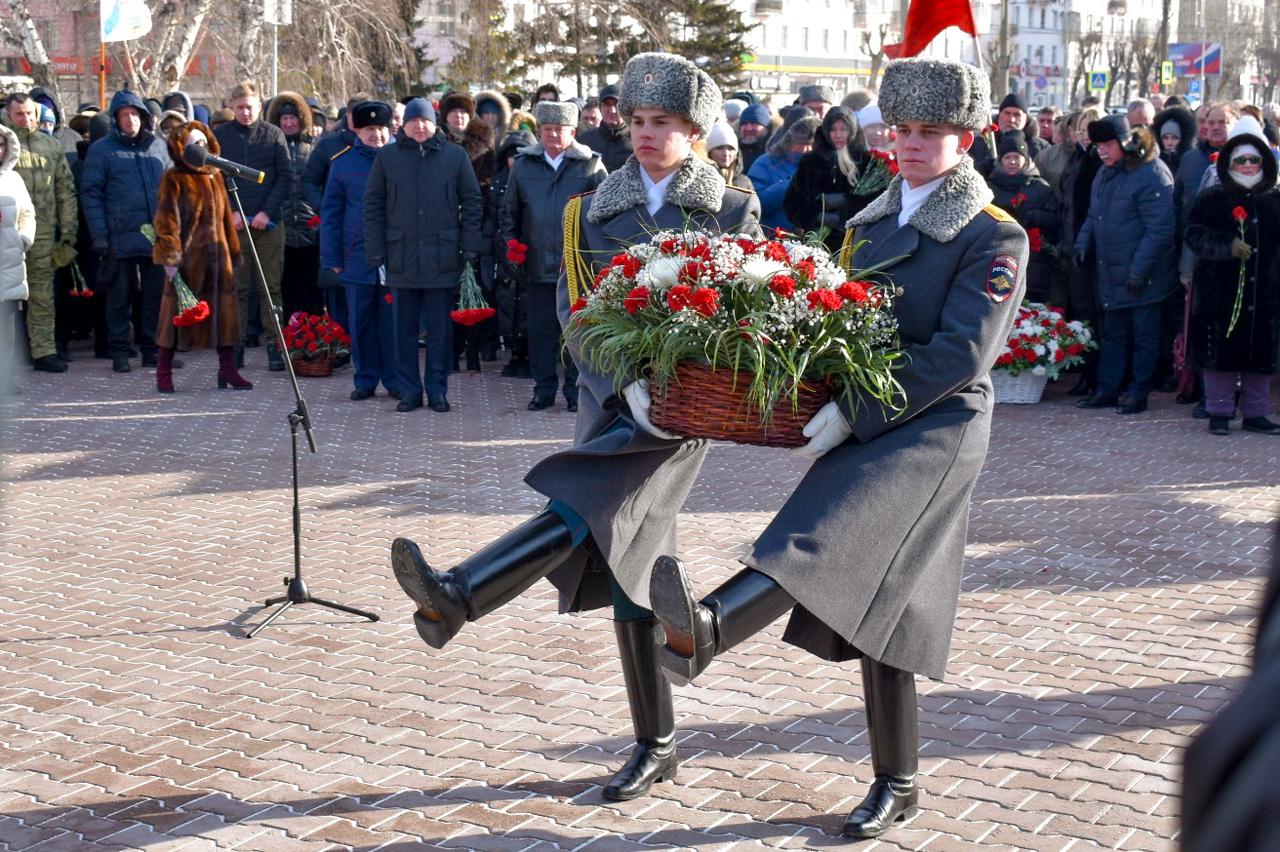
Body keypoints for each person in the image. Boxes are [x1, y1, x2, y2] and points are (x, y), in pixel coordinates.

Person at [642, 57, 1027, 840]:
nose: (914, 146)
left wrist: (854, 410)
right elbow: (838, 324)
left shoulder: (994, 235)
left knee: (829, 529)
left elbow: (961, 355)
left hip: (938, 426)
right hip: (870, 412)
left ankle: (712, 625)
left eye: (933, 133)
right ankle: (900, 783)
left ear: (966, 137)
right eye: (905, 131)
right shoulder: (869, 222)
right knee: (885, 607)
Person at [388, 51, 760, 804]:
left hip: (685, 411)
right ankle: (654, 744)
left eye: (665, 123)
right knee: (628, 565)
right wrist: (620, 381)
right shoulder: (592, 207)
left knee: (599, 514)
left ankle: (464, 592)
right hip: (611, 404)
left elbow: (743, 313)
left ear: (694, 130)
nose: (647, 135)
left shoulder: (726, 207)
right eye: (638, 121)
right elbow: (575, 308)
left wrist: (670, 386)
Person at [363, 98, 483, 413]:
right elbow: (373, 206)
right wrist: (376, 251)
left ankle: (437, 390)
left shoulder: (455, 157)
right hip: (400, 256)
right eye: (413, 121)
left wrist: (469, 246)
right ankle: (409, 391)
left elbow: (472, 202)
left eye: (425, 121)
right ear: (403, 125)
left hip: (442, 255)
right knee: (402, 330)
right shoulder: (388, 157)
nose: (419, 126)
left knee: (440, 333)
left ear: (435, 124)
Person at [500, 100, 606, 412]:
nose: (552, 136)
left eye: (558, 130)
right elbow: (509, 213)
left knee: (576, 331)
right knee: (541, 331)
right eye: (546, 130)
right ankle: (543, 389)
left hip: (575, 266)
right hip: (535, 264)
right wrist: (512, 248)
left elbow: (602, 213)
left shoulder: (590, 165)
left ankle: (576, 391)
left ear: (572, 131)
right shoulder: (523, 165)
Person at [1075, 116, 1176, 415]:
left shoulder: (1152, 173)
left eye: (1108, 144)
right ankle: (1108, 389)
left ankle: (1138, 392)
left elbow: (1159, 230)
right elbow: (1095, 216)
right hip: (1111, 270)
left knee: (1144, 336)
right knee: (1113, 334)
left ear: (1125, 142)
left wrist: (1138, 271)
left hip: (1143, 276)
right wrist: (1083, 244)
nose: (1102, 151)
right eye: (1098, 146)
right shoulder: (1105, 173)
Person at [1184, 122, 1280, 435]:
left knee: (1260, 356)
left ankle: (1255, 413)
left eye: (1254, 160)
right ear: (1229, 162)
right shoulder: (1213, 197)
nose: (1249, 166)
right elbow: (1194, 235)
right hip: (1220, 292)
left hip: (1266, 293)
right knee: (1221, 355)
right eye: (1241, 160)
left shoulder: (1274, 198)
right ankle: (1219, 411)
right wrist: (1227, 246)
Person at [150, 121, 251, 393]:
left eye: (203, 144)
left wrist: (233, 251)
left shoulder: (216, 175)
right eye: (194, 144)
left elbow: (225, 220)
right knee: (174, 317)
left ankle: (228, 369)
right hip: (188, 261)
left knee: (225, 317)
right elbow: (166, 221)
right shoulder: (174, 178)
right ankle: (163, 372)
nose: (200, 149)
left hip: (218, 259)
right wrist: (170, 257)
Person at [80, 89, 173, 374]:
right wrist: (100, 235)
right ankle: (119, 351)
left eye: (135, 114)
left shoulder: (157, 146)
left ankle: (151, 350)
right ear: (116, 120)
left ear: (144, 117)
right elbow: (91, 194)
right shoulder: (102, 150)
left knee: (154, 297)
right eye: (124, 115)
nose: (130, 120)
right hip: (118, 236)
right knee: (119, 297)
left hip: (155, 237)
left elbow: (171, 189)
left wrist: (171, 231)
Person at [320, 101, 398, 402]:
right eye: (369, 129)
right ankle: (365, 378)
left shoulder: (399, 160)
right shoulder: (343, 163)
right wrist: (333, 258)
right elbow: (331, 214)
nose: (376, 135)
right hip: (356, 255)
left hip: (393, 257)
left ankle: (394, 379)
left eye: (380, 129)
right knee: (361, 321)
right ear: (357, 130)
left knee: (392, 323)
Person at [213, 80, 291, 372]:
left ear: (260, 106)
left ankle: (275, 346)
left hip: (268, 224)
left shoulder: (273, 135)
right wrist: (231, 211)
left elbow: (285, 177)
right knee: (238, 288)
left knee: (270, 287)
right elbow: (216, 179)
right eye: (240, 107)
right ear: (231, 107)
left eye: (251, 107)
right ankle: (237, 346)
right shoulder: (221, 137)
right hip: (235, 224)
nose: (246, 112)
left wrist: (266, 212)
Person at [1, 93, 77, 374]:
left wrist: (68, 233)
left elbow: (65, 191)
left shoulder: (51, 146)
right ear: (9, 115)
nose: (27, 119)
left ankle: (43, 351)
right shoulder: (3, 144)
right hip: (5, 234)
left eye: (31, 113)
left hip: (42, 233)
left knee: (43, 295)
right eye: (20, 114)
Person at [783, 106, 879, 253]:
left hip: (855, 243)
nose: (838, 135)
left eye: (844, 129)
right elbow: (792, 204)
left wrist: (846, 204)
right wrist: (818, 217)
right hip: (816, 244)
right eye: (833, 129)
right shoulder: (811, 162)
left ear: (852, 130)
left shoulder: (867, 162)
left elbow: (876, 203)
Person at [1060, 106, 1105, 395]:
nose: (1085, 135)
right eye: (1081, 129)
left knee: (1091, 312)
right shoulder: (1076, 157)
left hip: (1090, 247)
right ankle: (1086, 371)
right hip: (1070, 245)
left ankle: (1094, 373)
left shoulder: (1097, 163)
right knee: (1080, 310)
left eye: (1091, 130)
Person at [267, 91, 322, 318]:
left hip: (311, 227)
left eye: (293, 118)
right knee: (286, 287)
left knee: (312, 287)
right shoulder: (270, 146)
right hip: (282, 227)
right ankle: (290, 338)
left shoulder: (316, 146)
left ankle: (318, 340)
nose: (289, 123)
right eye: (284, 119)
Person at [988, 133, 1059, 302]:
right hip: (998, 257)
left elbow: (1056, 219)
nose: (1012, 162)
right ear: (1000, 160)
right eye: (1007, 157)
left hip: (1035, 260)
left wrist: (1033, 216)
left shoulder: (1039, 187)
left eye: (1017, 157)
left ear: (1026, 160)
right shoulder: (989, 187)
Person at [494, 128, 536, 379]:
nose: (513, 160)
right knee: (509, 304)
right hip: (507, 250)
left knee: (529, 308)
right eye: (510, 155)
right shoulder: (499, 182)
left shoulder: (530, 178)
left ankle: (531, 355)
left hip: (532, 250)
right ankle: (515, 352)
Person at [0, 124, 36, 391]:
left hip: (9, 260)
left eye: (2, 144)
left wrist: (24, 239)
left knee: (8, 322)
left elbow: (28, 214)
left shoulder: (13, 180)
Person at [747, 108, 820, 235]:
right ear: (788, 139)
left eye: (811, 144)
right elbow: (754, 204)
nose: (806, 149)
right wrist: (793, 181)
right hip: (773, 241)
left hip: (817, 240)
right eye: (801, 143)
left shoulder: (827, 165)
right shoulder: (766, 163)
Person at [577, 84, 631, 172]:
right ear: (600, 108)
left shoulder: (637, 140)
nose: (612, 110)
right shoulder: (585, 141)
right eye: (607, 105)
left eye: (617, 104)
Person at [704, 120, 751, 191]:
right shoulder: (701, 180)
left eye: (731, 149)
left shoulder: (744, 182)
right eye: (719, 148)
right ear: (709, 152)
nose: (726, 153)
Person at [1153, 104, 1197, 173]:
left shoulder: (1190, 161)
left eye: (1174, 138)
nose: (1169, 143)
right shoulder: (1154, 163)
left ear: (1183, 139)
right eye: (1165, 138)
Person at [735, 102, 773, 172]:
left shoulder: (774, 153)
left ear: (766, 128)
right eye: (744, 124)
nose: (749, 128)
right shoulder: (733, 151)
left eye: (754, 123)